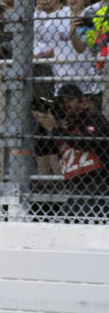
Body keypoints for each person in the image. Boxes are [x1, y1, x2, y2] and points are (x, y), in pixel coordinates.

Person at [32, 83, 109, 218]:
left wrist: (56, 130)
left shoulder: (93, 118)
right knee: (68, 218)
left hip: (98, 183)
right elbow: (42, 150)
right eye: (62, 101)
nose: (66, 105)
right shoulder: (62, 126)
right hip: (76, 187)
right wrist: (44, 125)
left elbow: (85, 143)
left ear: (82, 101)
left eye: (70, 100)